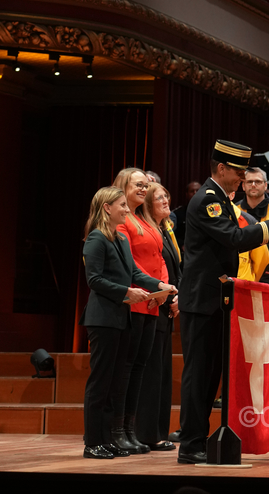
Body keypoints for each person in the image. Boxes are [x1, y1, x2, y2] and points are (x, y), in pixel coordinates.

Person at [177, 139, 269, 465]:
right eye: (238, 172)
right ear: (221, 169)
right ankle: (191, 444)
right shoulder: (207, 200)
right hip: (201, 301)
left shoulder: (222, 198)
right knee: (199, 376)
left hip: (215, 302)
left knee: (210, 376)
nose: (241, 179)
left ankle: (196, 441)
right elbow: (234, 238)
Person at [81, 186, 174, 460]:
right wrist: (127, 292)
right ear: (107, 208)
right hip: (103, 319)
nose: (126, 209)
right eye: (121, 205)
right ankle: (92, 442)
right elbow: (94, 280)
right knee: (100, 383)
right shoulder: (96, 238)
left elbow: (134, 272)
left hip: (121, 319)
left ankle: (107, 439)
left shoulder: (118, 240)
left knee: (113, 384)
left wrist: (160, 284)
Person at [113, 167, 168, 455]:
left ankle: (131, 431)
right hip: (134, 301)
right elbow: (127, 265)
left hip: (152, 303)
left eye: (147, 185)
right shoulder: (122, 221)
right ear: (122, 186)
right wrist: (148, 290)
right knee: (126, 369)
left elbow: (158, 258)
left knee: (139, 370)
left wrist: (163, 291)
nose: (144, 189)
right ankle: (118, 430)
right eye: (138, 184)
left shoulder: (145, 219)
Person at [138, 183, 182, 450]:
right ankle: (146, 434)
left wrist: (179, 295)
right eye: (159, 197)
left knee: (163, 373)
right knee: (151, 373)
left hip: (168, 305)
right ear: (147, 205)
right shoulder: (148, 231)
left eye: (167, 195)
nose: (166, 200)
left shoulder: (167, 230)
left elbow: (177, 267)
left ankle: (158, 432)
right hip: (152, 305)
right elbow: (147, 269)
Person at [173, 181, 201, 250]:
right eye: (192, 191)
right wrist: (182, 245)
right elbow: (173, 236)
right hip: (185, 252)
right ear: (187, 194)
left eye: (198, 190)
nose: (195, 193)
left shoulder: (210, 211)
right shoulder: (177, 213)